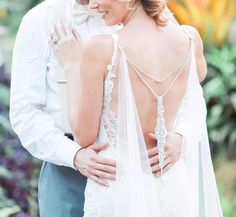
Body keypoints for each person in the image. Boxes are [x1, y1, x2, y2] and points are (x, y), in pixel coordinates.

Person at [10, 0, 186, 216]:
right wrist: (73, 155)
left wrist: (181, 135)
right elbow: (25, 112)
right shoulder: (38, 21)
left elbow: (187, 83)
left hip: (141, 167)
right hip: (66, 170)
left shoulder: (151, 12)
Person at [50, 0, 223, 216]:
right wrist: (181, 135)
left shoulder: (99, 49)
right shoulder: (189, 39)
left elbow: (83, 136)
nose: (92, 4)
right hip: (171, 188)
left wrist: (71, 63)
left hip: (119, 189)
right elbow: (194, 101)